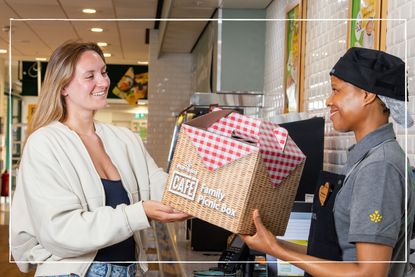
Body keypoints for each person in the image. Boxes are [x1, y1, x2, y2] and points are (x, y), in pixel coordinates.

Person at [10, 41, 189, 277]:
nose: (104, 82)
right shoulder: (45, 144)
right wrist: (140, 213)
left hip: (128, 271)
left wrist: (199, 194)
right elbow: (61, 231)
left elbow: (158, 183)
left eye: (103, 72)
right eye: (90, 75)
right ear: (63, 86)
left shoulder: (125, 139)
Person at [241, 47, 415, 277]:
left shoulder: (378, 167)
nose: (328, 100)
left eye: (336, 90)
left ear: (367, 94)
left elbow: (370, 273)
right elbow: (340, 256)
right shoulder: (369, 158)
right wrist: (274, 245)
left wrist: (275, 249)